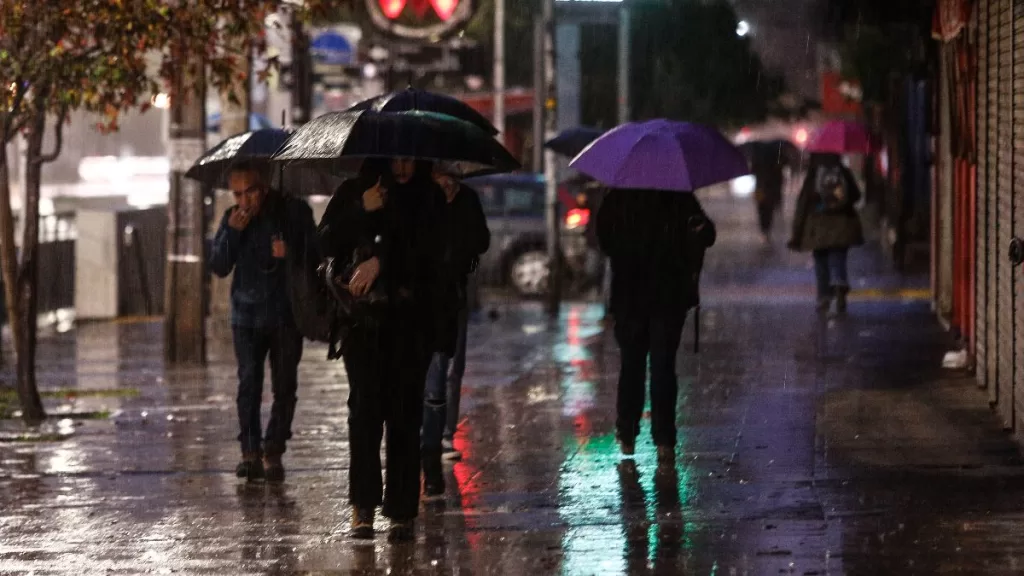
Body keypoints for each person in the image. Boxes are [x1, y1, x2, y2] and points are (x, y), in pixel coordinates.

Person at [318, 157, 445, 541]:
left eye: (411, 159)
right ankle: (363, 506)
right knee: (365, 412)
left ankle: (402, 510)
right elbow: (324, 241)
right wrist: (362, 210)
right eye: (397, 159)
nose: (404, 168)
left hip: (410, 323)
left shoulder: (428, 196)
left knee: (405, 414)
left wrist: (382, 262)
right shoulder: (355, 191)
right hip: (362, 323)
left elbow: (435, 254)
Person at [209, 160, 317, 483]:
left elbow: (316, 252)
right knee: (248, 383)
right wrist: (232, 232)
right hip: (246, 315)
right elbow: (218, 265)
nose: (243, 201)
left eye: (249, 193)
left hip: (285, 314)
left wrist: (290, 252)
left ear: (264, 187)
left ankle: (274, 448)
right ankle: (250, 452)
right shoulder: (233, 220)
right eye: (237, 194)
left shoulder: (292, 212)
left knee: (284, 385)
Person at [596, 188, 716, 467]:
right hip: (668, 295)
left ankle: (627, 432)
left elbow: (603, 241)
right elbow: (707, 235)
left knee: (632, 365)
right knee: (663, 367)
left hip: (630, 297)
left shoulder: (618, 196)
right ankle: (664, 440)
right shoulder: (679, 195)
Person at [421, 167, 490, 498]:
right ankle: (432, 435)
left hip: (457, 294)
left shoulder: (468, 201)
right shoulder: (424, 202)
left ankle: (446, 431)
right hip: (428, 297)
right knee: (433, 371)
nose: (446, 181)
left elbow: (482, 245)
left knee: (453, 366)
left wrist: (468, 269)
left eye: (450, 175)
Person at [787, 153, 864, 314]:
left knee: (821, 260)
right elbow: (856, 195)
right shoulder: (843, 171)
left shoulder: (813, 174)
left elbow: (802, 205)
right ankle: (839, 281)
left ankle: (824, 296)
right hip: (842, 223)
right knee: (838, 254)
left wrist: (796, 233)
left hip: (818, 226)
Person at [750, 151, 784, 244]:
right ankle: (766, 230)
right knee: (768, 211)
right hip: (769, 190)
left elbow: (752, 171)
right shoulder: (775, 161)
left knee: (762, 210)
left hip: (760, 188)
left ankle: (764, 230)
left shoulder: (757, 159)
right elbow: (779, 178)